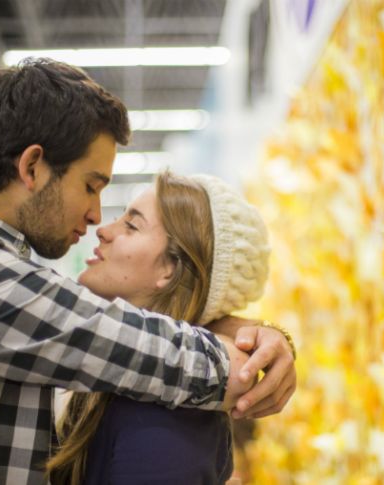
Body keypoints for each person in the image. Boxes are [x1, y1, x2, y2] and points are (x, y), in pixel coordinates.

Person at [0, 57, 296, 485]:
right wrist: (254, 359)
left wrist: (246, 331)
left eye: (130, 222)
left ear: (172, 270)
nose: (97, 219)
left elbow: (79, 320)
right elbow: (106, 335)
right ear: (32, 167)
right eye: (91, 185)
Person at [46, 171, 274, 485]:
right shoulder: (134, 382)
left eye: (131, 225)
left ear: (170, 269)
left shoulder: (165, 417)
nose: (103, 230)